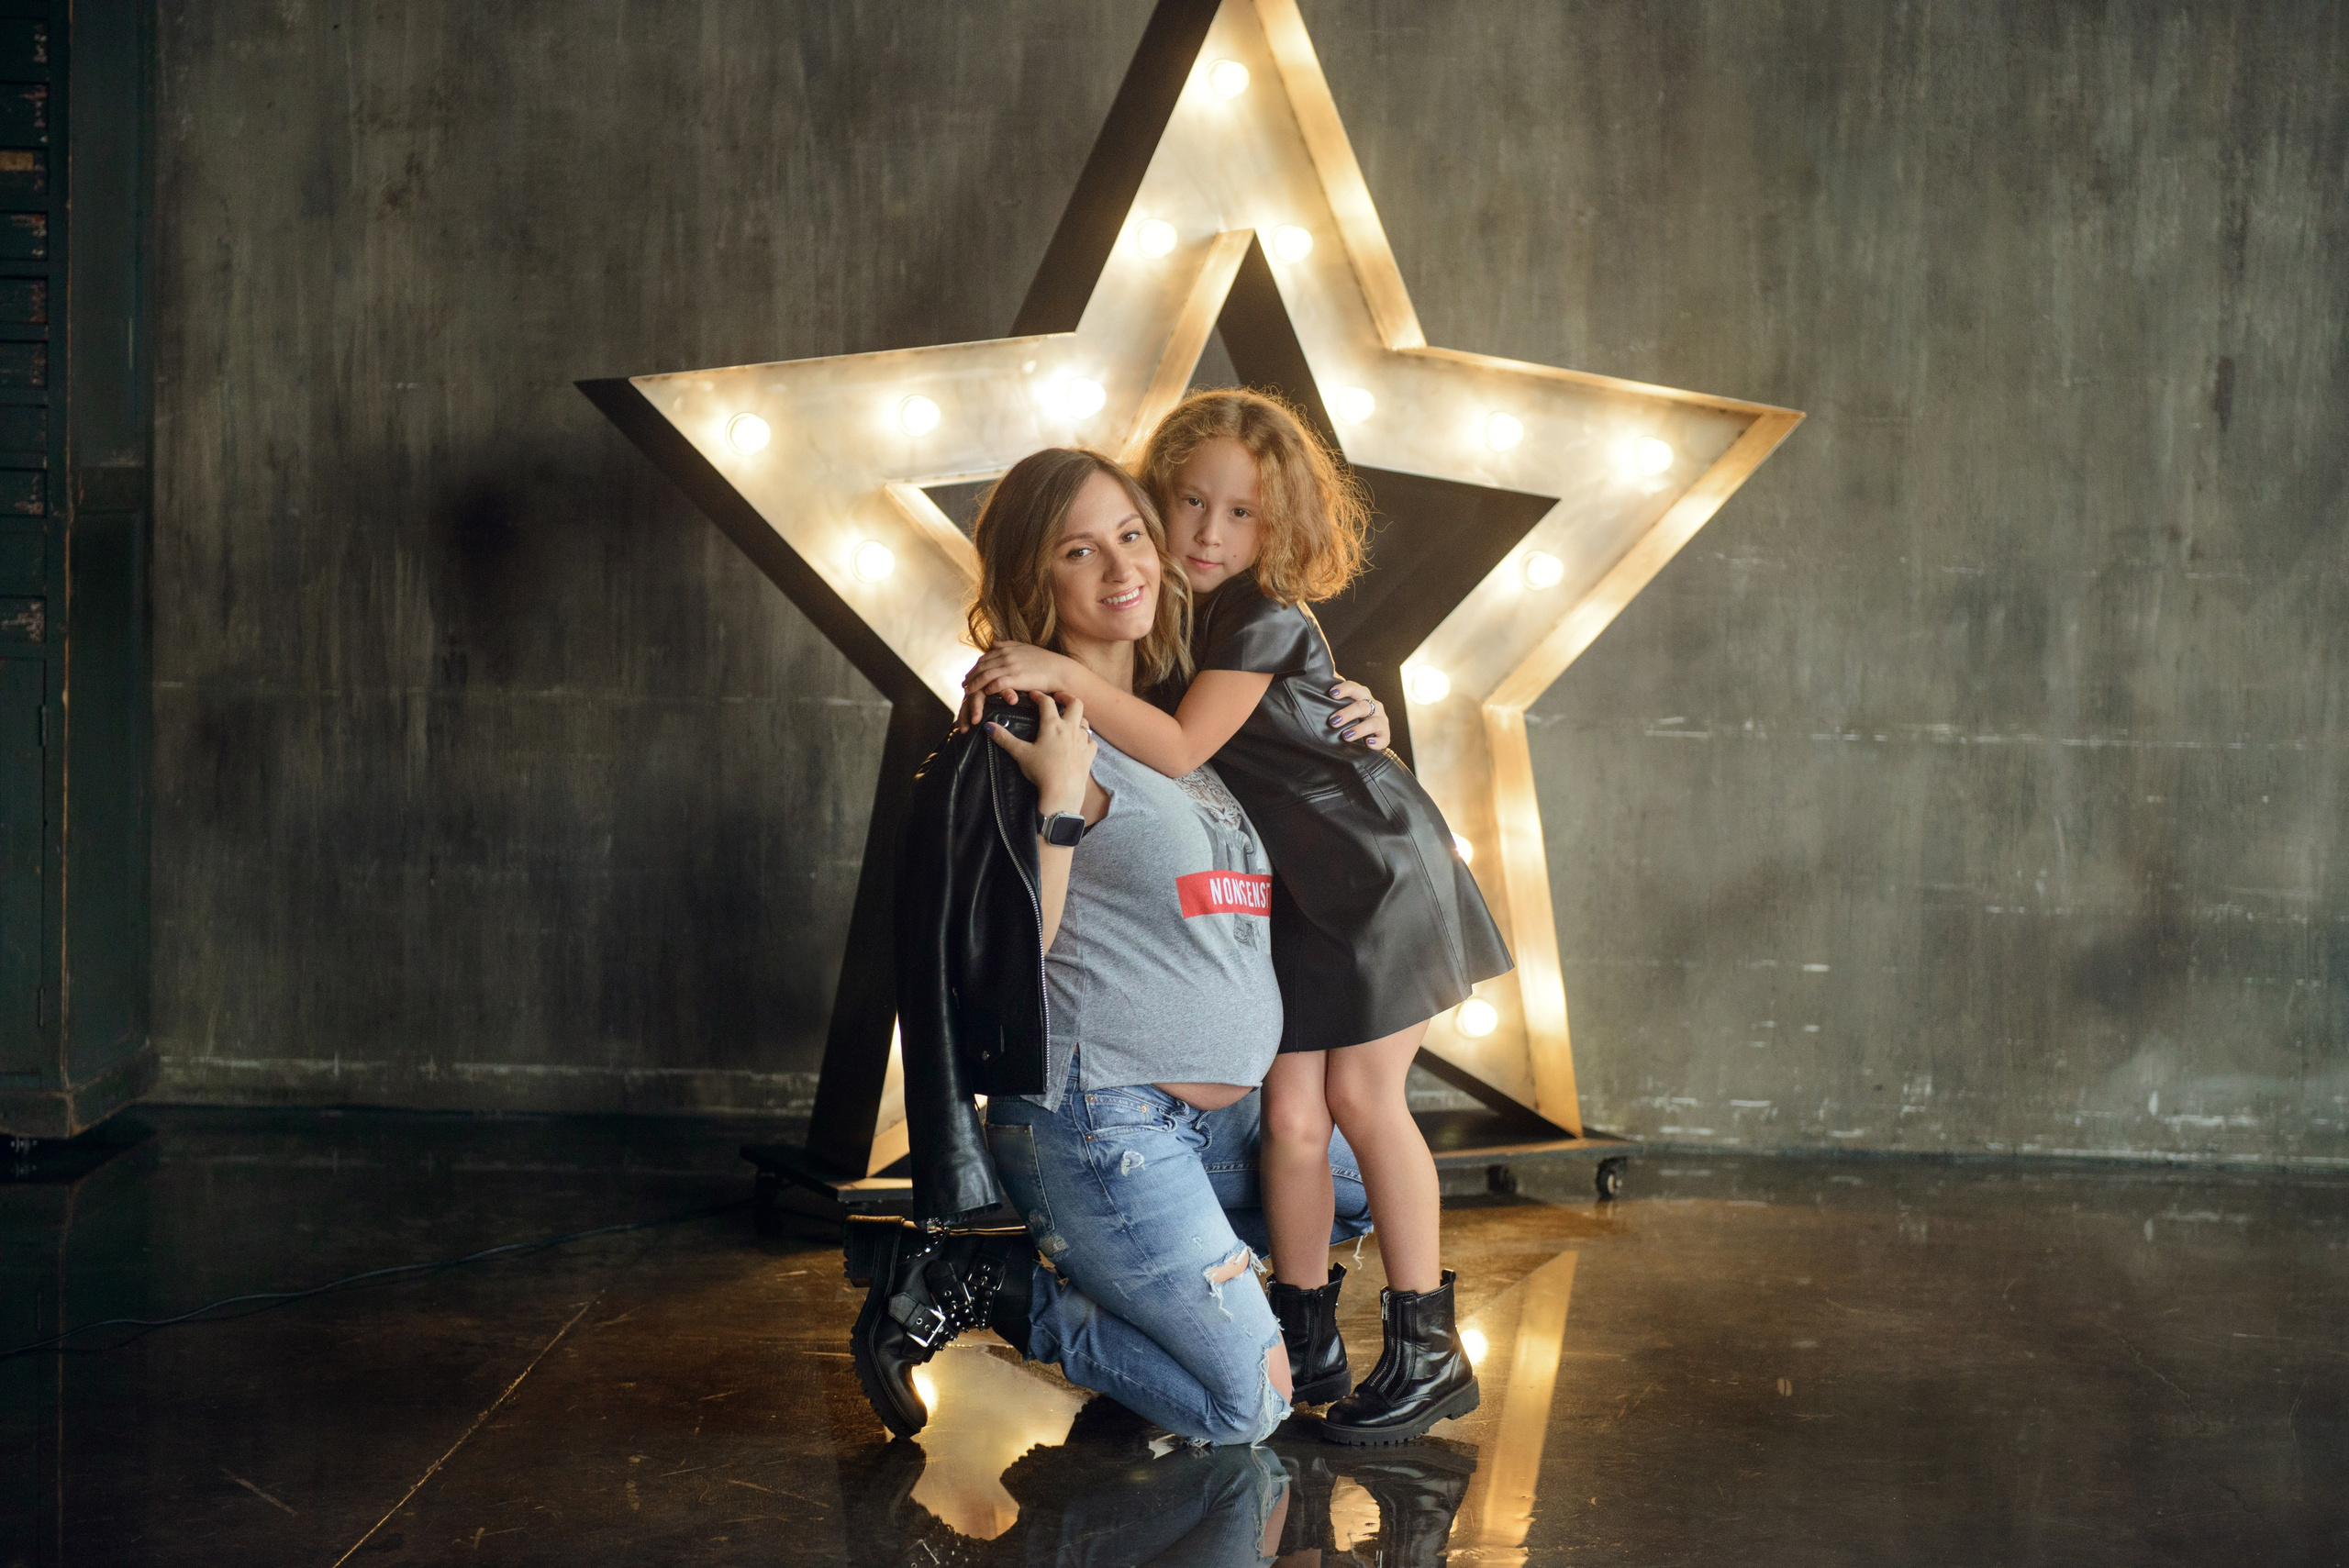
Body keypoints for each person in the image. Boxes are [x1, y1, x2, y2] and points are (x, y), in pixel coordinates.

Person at [962, 389, 1510, 1444]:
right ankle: (1300, 1334)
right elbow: (1161, 729)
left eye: (1243, 515)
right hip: (1268, 932)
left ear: (1283, 526)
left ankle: (1426, 1341)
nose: (1205, 536)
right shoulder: (1159, 640)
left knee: (1354, 1102)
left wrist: (1361, 712)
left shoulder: (1250, 618)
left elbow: (1176, 747)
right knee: (1297, 1123)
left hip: (1369, 878)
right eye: (1183, 505)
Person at [854, 446, 1379, 1447]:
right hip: (1101, 1122)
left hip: (1216, 1125)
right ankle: (996, 1285)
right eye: (1078, 552)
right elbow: (1001, 963)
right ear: (1031, 581)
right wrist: (1056, 803)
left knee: (1355, 1187)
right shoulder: (1027, 729)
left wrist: (1355, 715)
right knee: (1246, 1408)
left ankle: (1156, 1289)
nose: (1121, 568)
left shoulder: (1178, 721)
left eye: (1132, 535)